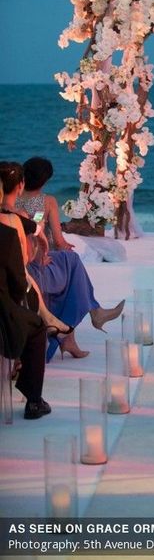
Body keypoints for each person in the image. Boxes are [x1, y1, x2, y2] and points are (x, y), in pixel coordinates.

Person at [0, 162, 124, 359]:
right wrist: (54, 246)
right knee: (71, 263)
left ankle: (76, 333)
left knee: (69, 266)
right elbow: (57, 242)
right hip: (32, 268)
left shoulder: (10, 207)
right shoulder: (44, 202)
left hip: (19, 268)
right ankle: (88, 320)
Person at [0, 179, 50, 419]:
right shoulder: (8, 230)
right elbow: (19, 283)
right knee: (36, 324)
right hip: (4, 314)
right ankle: (33, 400)